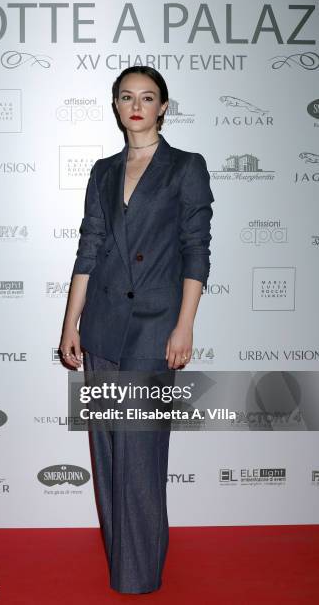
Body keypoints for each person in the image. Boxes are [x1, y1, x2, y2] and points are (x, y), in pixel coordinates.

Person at [60, 66, 214, 594]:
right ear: (116, 105)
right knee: (107, 455)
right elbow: (88, 249)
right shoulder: (102, 171)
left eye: (148, 97)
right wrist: (69, 325)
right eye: (127, 97)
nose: (137, 105)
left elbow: (197, 250)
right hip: (102, 325)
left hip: (153, 328)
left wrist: (184, 326)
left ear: (164, 107)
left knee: (141, 457)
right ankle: (122, 563)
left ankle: (139, 576)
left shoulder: (185, 167)